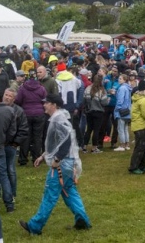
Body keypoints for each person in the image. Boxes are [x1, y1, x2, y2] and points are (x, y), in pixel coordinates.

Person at [20, 93, 91, 235]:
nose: (44, 105)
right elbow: (57, 143)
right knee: (69, 191)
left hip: (62, 164)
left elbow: (65, 143)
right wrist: (43, 156)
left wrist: (56, 160)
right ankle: (82, 220)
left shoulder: (58, 120)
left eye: (46, 103)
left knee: (50, 194)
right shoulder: (60, 118)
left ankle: (35, 226)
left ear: (54, 105)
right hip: (68, 163)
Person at [14, 72, 47, 165]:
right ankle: (36, 158)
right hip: (39, 114)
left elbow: (18, 100)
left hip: (26, 114)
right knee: (37, 137)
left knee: (26, 136)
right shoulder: (41, 88)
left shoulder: (22, 88)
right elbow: (45, 100)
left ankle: (23, 159)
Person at [2, 88, 29, 200]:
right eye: (6, 95)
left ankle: (12, 194)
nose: (7, 97)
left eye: (10, 96)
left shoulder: (19, 111)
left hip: (10, 145)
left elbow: (23, 129)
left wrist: (15, 143)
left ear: (14, 98)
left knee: (10, 170)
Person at [128, 80, 145, 174]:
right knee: (141, 147)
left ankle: (141, 164)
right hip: (140, 126)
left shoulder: (138, 97)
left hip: (140, 125)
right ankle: (134, 166)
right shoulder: (143, 100)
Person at [113, 74, 132, 151]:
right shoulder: (128, 88)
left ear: (124, 80)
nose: (119, 80)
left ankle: (122, 145)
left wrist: (117, 109)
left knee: (121, 129)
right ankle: (127, 144)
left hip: (121, 111)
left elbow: (120, 100)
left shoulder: (122, 88)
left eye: (120, 79)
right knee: (125, 128)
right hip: (127, 110)